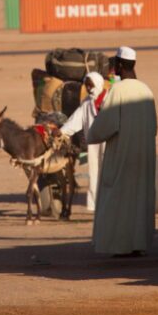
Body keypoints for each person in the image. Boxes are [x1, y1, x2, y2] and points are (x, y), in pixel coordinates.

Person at [87, 46, 157, 257]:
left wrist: (92, 131)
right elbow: (153, 127)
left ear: (118, 65)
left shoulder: (117, 91)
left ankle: (118, 246)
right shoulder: (146, 90)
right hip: (142, 157)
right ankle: (137, 245)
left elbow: (103, 128)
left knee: (117, 201)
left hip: (121, 159)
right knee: (137, 200)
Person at [59, 71, 108, 211]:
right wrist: (62, 131)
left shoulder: (110, 98)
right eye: (86, 85)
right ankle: (97, 206)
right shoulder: (87, 102)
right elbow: (76, 120)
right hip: (94, 144)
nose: (88, 88)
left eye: (90, 85)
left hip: (110, 142)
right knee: (94, 174)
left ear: (98, 83)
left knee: (110, 174)